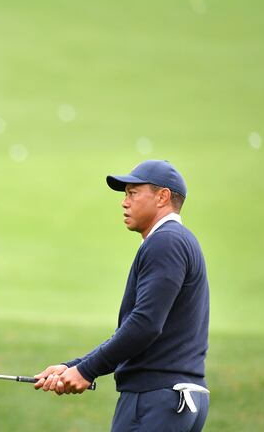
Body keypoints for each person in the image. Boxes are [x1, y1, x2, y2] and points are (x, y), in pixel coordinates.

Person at [33, 160, 210, 432]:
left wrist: (86, 371)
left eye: (132, 193)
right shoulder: (179, 240)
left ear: (162, 196)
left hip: (155, 400)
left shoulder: (165, 242)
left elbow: (145, 325)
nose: (124, 202)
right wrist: (73, 366)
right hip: (175, 399)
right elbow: (139, 329)